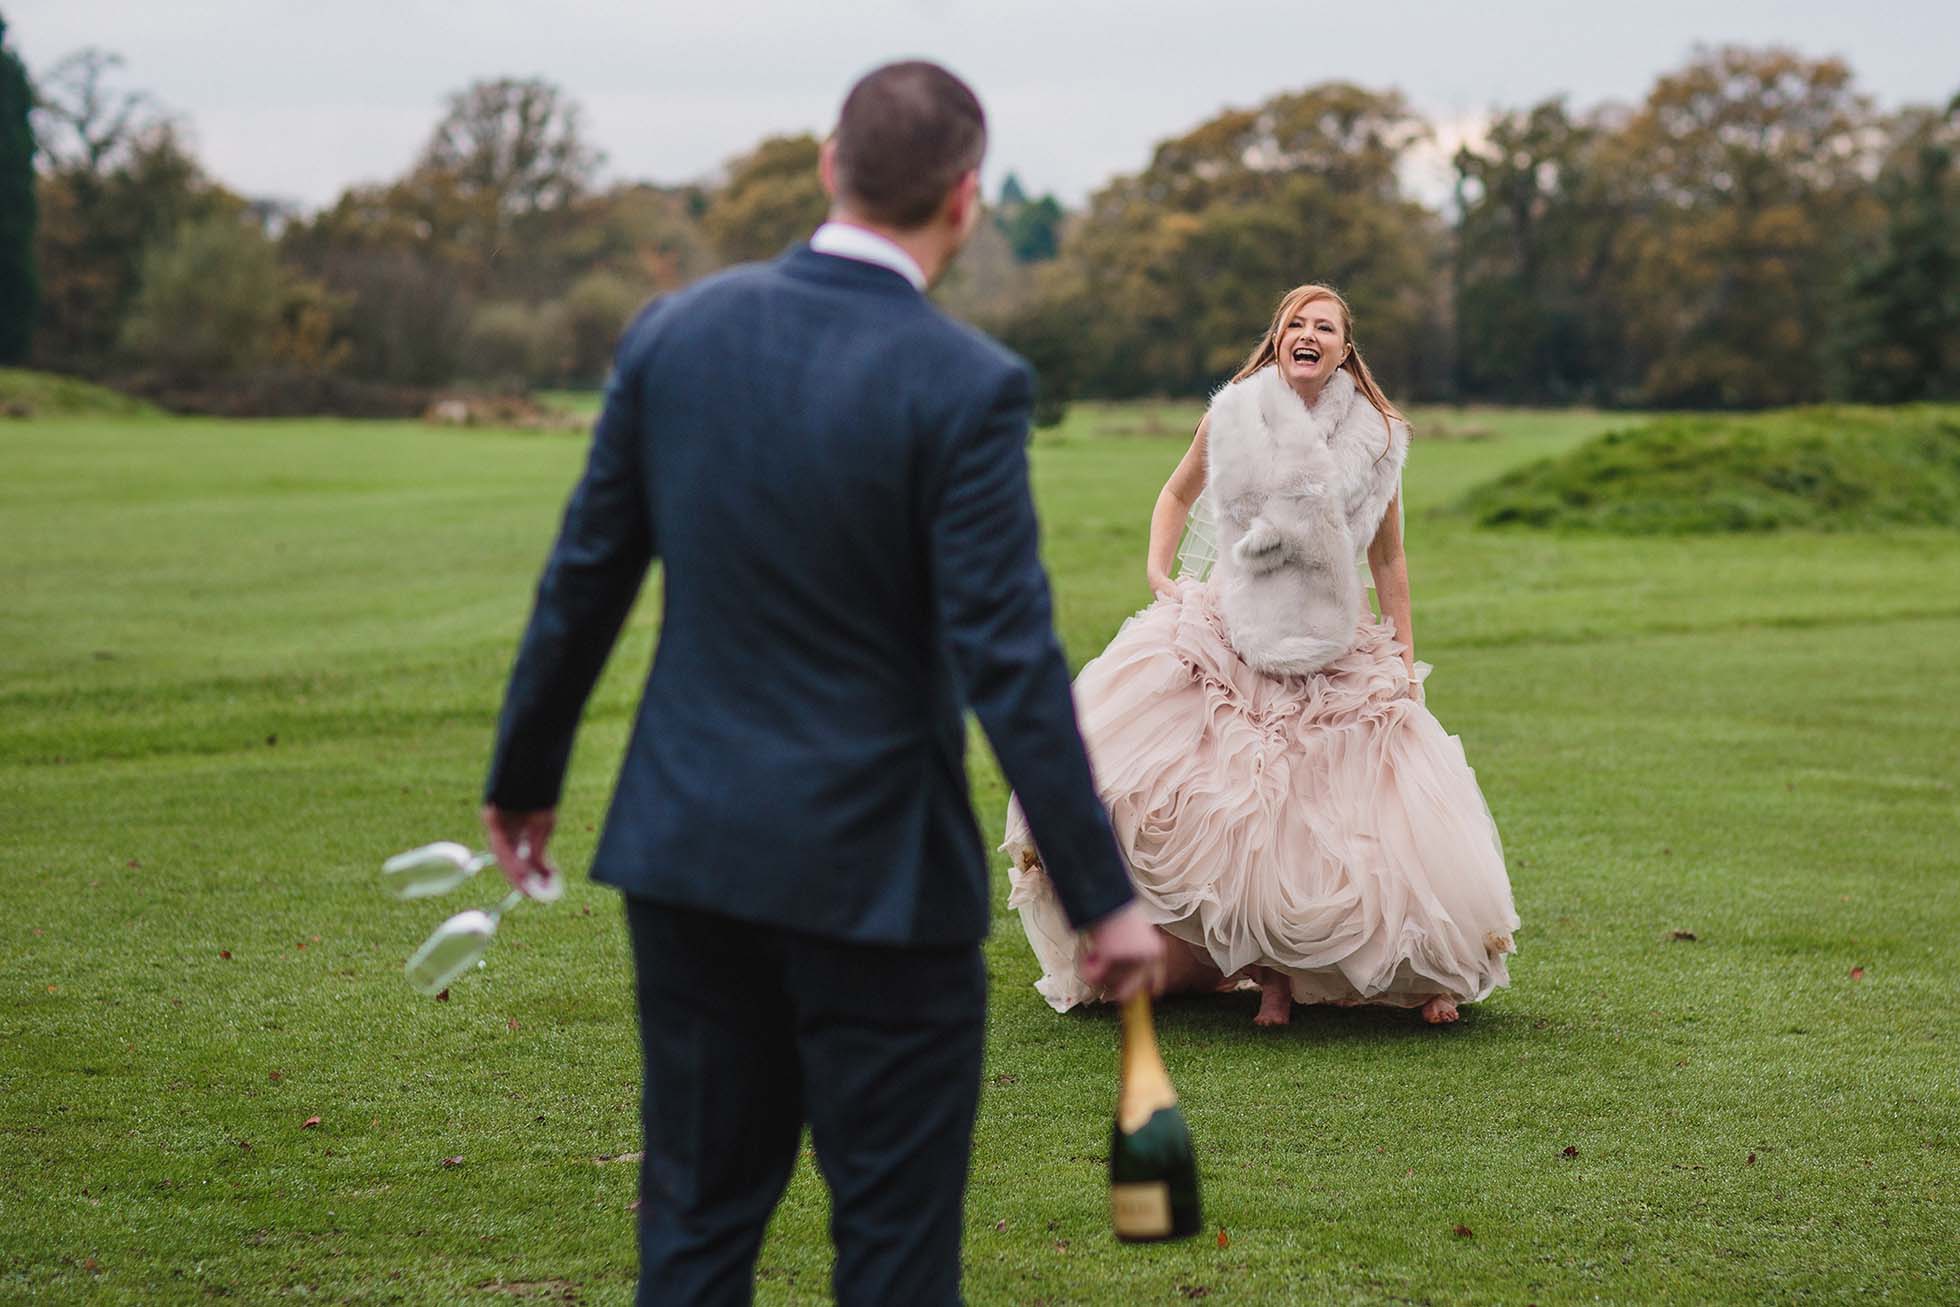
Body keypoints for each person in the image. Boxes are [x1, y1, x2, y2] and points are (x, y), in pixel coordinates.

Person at [478, 61, 1164, 1307]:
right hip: (880, 879)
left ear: (827, 164)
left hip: (690, 855)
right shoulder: (965, 381)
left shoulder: (674, 334)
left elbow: (584, 578)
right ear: (963, 199)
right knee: (894, 1253)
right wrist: (1102, 893)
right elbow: (1007, 657)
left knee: (694, 1231)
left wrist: (524, 779)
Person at [1004, 284, 1519, 1028]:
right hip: (1233, 625)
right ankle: (1262, 971)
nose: (1307, 334)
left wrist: (1405, 657)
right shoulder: (1233, 414)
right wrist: (1158, 571)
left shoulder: (1377, 439)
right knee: (1217, 800)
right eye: (1295, 323)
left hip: (1333, 637)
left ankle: (1413, 971)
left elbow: (1389, 558)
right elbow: (1176, 494)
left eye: (1324, 327)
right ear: (1277, 339)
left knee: (1345, 807)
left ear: (1345, 349)